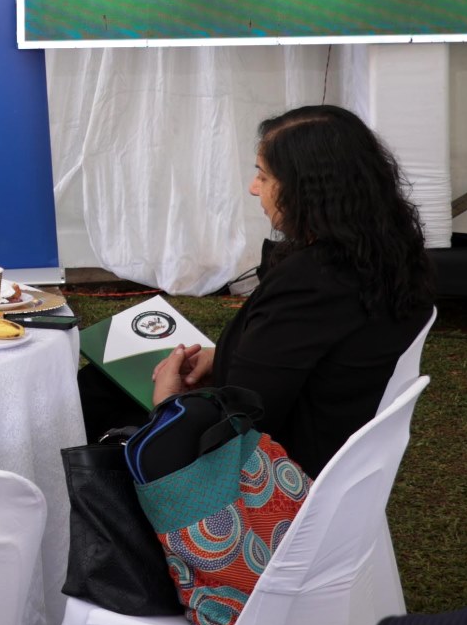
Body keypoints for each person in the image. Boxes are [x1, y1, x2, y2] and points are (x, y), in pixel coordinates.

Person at [146, 104, 437, 476]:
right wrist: (222, 360)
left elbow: (241, 424)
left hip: (279, 475)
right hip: (341, 455)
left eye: (264, 177)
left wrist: (167, 405)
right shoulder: (391, 254)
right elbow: (323, 360)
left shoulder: (313, 281)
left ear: (309, 190)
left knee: (97, 410)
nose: (254, 189)